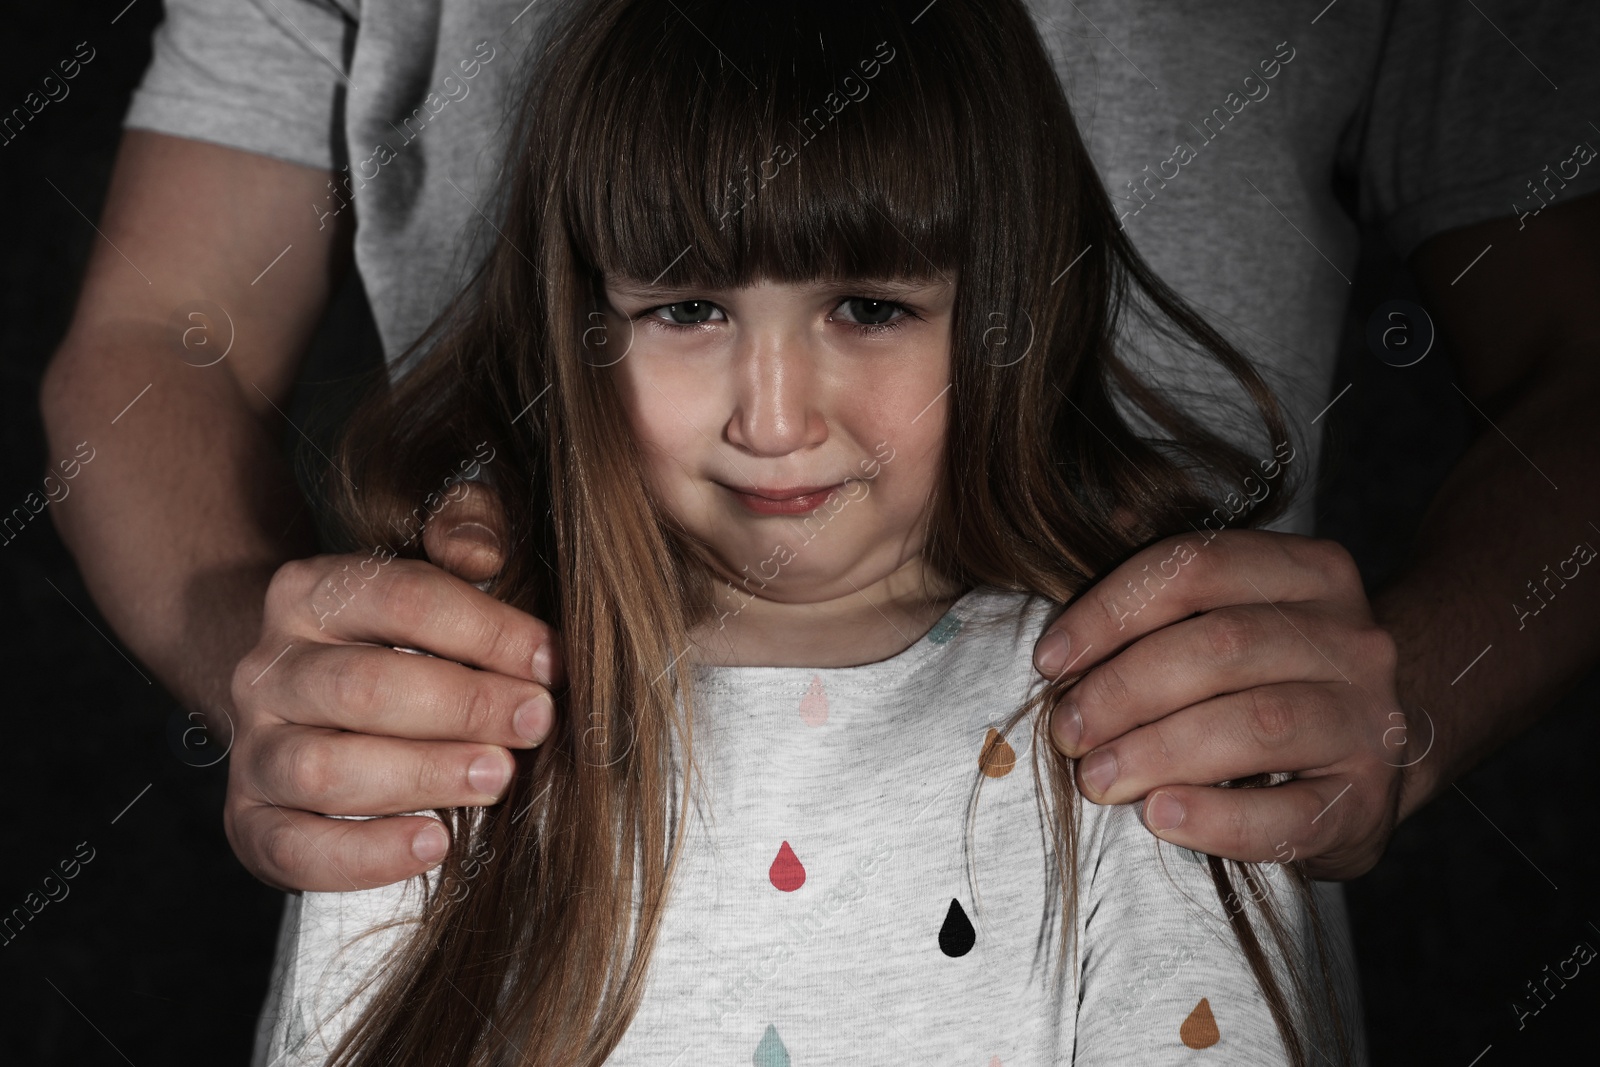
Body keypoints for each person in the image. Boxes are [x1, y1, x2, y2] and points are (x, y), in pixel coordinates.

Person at [34, 0, 1599, 1042]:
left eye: (868, 303)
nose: (775, 421)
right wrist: (282, 678)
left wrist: (1415, 699)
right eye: (687, 307)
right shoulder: (436, 772)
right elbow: (160, 330)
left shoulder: (1135, 773)